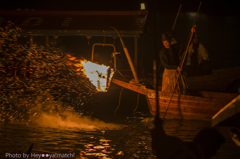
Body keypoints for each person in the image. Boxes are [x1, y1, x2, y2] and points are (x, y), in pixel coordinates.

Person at [152, 117, 225, 159]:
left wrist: (158, 128)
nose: (215, 153)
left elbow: (159, 141)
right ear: (207, 144)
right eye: (215, 148)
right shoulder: (187, 154)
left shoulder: (177, 144)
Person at [159, 26, 196, 94]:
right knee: (169, 91)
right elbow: (166, 65)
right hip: (169, 74)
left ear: (170, 41)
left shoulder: (175, 47)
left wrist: (192, 33)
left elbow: (186, 44)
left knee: (180, 90)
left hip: (177, 72)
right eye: (164, 43)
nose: (166, 45)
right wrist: (176, 67)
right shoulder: (162, 52)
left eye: (167, 42)